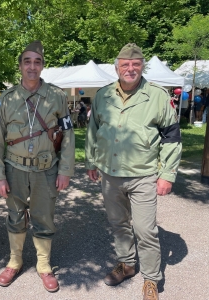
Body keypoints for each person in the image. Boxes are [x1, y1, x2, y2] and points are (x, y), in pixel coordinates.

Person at [85, 43, 182, 300]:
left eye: (136, 64)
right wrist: (91, 162)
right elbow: (93, 131)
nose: (130, 68)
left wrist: (167, 174)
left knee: (145, 230)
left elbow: (172, 136)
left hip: (143, 175)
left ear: (142, 67)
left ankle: (151, 279)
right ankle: (127, 264)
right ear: (117, 67)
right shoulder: (103, 95)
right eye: (125, 64)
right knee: (118, 225)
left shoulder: (158, 96)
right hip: (110, 175)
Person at [0, 40, 75, 292]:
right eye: (27, 61)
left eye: (37, 62)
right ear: (20, 66)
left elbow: (68, 136)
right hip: (14, 168)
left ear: (42, 66)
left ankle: (44, 266)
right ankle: (14, 261)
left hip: (46, 169)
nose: (32, 66)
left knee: (43, 217)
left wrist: (65, 170)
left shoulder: (57, 97)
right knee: (15, 215)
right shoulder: (6, 99)